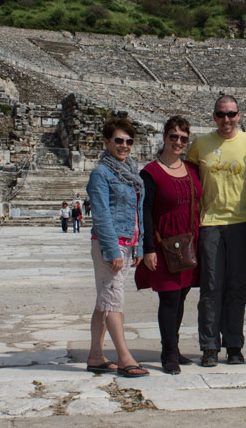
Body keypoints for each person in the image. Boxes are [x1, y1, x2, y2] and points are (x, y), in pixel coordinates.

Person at [186, 95, 246, 366]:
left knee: (237, 288)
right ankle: (209, 346)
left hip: (241, 224)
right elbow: (187, 176)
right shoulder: (200, 144)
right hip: (210, 223)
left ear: (239, 116)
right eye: (221, 114)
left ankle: (234, 345)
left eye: (231, 114)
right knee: (210, 287)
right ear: (213, 116)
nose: (226, 120)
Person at [135, 116, 202, 375]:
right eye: (173, 136)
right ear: (164, 137)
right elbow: (146, 211)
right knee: (170, 297)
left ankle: (174, 346)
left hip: (189, 242)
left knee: (183, 293)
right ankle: (168, 353)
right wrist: (148, 248)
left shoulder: (191, 169)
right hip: (165, 243)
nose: (178, 142)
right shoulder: (150, 172)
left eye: (183, 138)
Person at [85, 117, 149, 378]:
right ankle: (124, 358)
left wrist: (139, 246)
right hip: (109, 244)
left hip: (127, 243)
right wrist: (112, 251)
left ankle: (95, 356)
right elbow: (101, 214)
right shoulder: (101, 173)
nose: (124, 146)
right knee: (113, 300)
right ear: (107, 142)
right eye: (119, 141)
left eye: (129, 141)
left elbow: (138, 213)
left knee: (104, 301)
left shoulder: (132, 172)